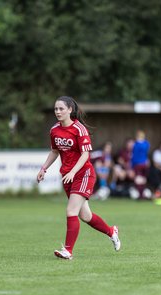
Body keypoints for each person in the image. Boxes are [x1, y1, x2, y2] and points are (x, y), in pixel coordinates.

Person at [37, 96, 121, 260]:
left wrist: (74, 172)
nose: (58, 112)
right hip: (68, 176)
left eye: (61, 109)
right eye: (56, 109)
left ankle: (68, 251)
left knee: (71, 211)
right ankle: (112, 232)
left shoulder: (79, 129)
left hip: (83, 174)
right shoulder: (54, 130)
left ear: (70, 110)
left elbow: (85, 155)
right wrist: (43, 168)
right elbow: (55, 151)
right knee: (85, 216)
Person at [131, 130, 151, 198]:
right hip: (144, 163)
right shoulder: (146, 143)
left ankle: (140, 194)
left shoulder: (136, 144)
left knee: (138, 179)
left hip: (137, 164)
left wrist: (132, 165)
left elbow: (134, 155)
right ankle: (142, 193)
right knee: (143, 179)